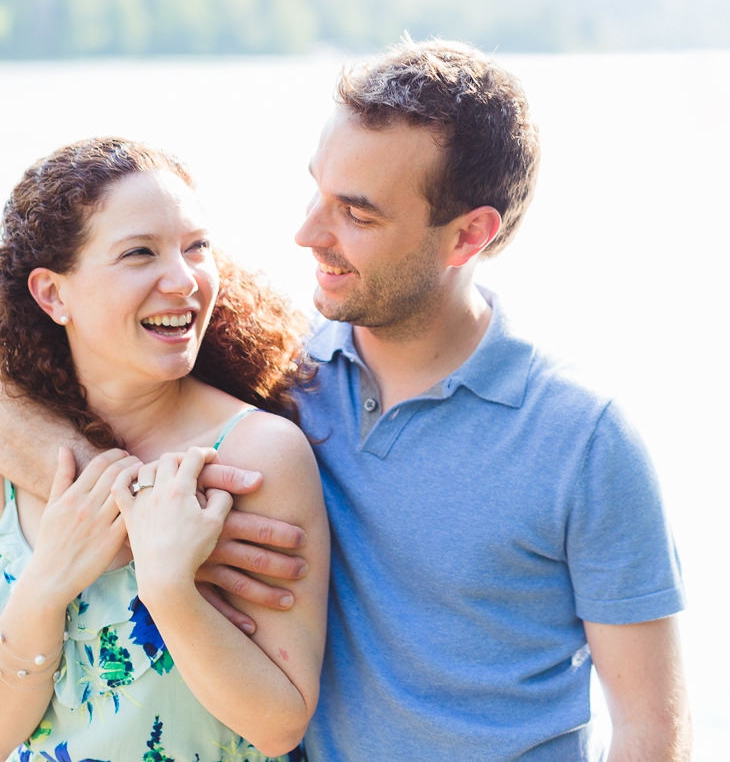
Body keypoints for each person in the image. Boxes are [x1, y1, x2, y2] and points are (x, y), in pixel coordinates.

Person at [0, 41, 690, 762]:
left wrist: (148, 546)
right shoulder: (281, 377)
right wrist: (123, 508)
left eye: (356, 214)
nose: (306, 234)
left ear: (469, 235)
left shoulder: (583, 441)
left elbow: (652, 732)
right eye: (317, 192)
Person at [0, 139, 329, 762]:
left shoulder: (257, 455)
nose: (182, 280)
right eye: (139, 253)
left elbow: (279, 723)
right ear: (52, 295)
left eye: (196, 246)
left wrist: (168, 585)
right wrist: (45, 587)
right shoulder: (13, 453)